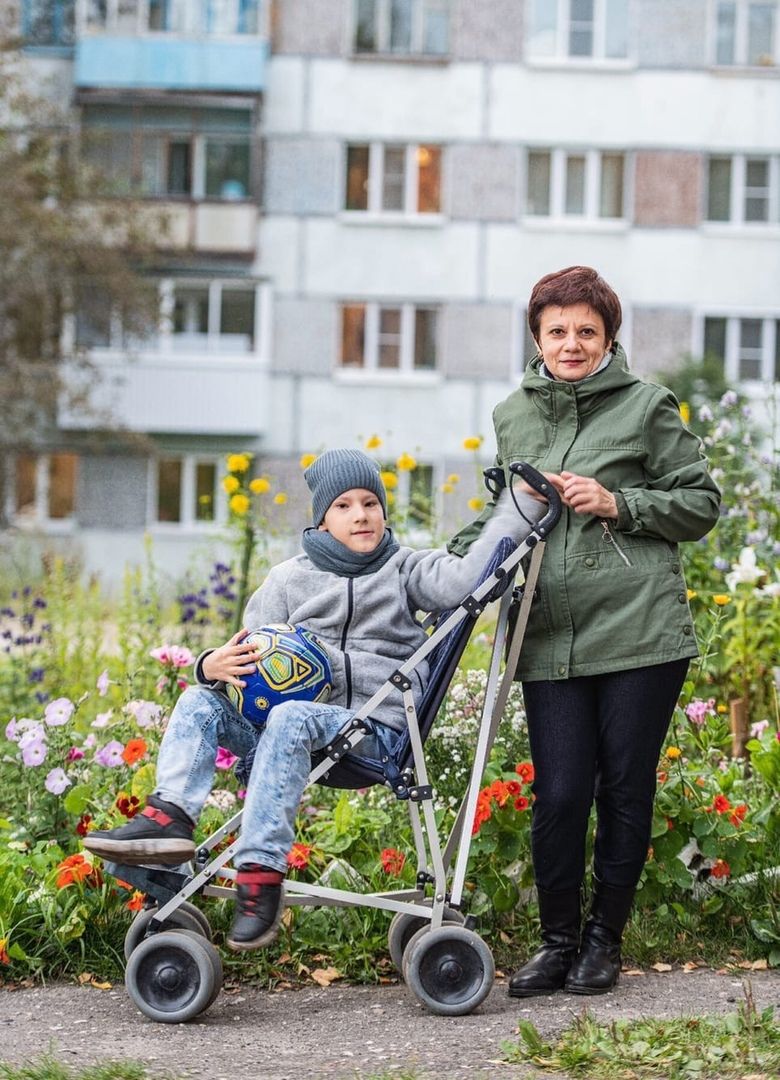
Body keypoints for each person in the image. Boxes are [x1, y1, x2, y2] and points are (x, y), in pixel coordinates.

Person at [84, 448, 544, 951]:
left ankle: (259, 872)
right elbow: (249, 659)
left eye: (370, 502)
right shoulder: (287, 580)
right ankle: (168, 819)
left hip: (374, 732)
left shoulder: (406, 570)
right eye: (344, 506)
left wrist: (518, 505)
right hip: (286, 729)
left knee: (292, 715)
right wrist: (210, 664)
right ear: (322, 520)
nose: (361, 514)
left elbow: (468, 578)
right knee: (199, 700)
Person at [449, 266, 720, 997]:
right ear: (538, 338)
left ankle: (603, 943)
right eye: (558, 331)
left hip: (640, 631)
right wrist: (447, 568)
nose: (572, 344)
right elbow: (504, 512)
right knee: (562, 792)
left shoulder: (645, 407)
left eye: (586, 332)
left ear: (608, 338)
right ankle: (555, 943)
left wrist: (618, 502)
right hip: (548, 631)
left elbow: (700, 502)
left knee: (623, 788)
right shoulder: (515, 415)